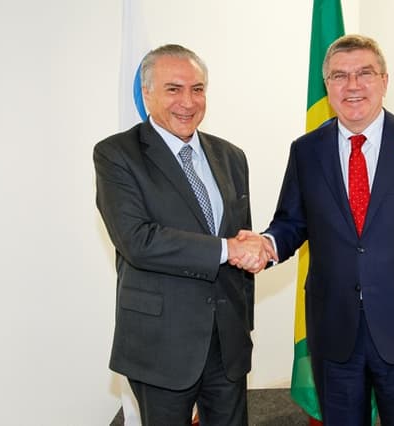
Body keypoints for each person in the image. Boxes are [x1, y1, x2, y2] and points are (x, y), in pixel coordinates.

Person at [238, 34, 394, 425]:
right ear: (327, 87)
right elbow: (292, 222)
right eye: (340, 76)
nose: (353, 85)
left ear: (385, 80)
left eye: (364, 73)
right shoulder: (306, 150)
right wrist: (266, 244)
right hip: (333, 327)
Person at [94, 44, 274, 426]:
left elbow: (241, 237)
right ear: (147, 94)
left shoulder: (231, 156)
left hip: (227, 344)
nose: (188, 102)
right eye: (174, 89)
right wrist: (228, 249)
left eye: (198, 89)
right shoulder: (117, 155)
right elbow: (138, 241)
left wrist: (244, 324)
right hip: (161, 343)